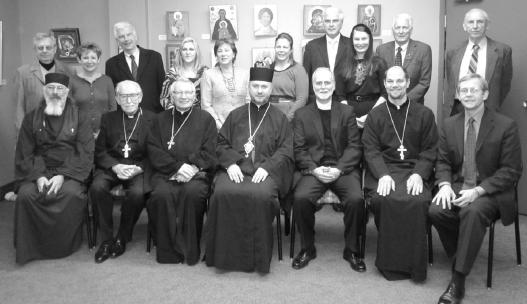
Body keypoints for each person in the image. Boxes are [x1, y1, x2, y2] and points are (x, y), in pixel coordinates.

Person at [429, 73, 522, 304]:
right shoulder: (449, 124)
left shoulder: (505, 125)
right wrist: (444, 185)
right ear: (458, 96)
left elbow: (511, 170)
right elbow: (442, 161)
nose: (468, 94)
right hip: (459, 185)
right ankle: (462, 254)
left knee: (472, 212)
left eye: (474, 90)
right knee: (435, 210)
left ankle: (458, 280)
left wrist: (478, 191)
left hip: (490, 190)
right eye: (464, 91)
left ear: (485, 94)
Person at [205, 66, 294, 273]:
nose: (260, 90)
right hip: (236, 168)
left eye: (264, 86)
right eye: (256, 86)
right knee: (222, 192)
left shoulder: (280, 118)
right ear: (249, 87)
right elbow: (220, 144)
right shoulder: (235, 115)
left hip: (265, 172)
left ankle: (257, 259)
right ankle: (224, 256)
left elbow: (287, 149)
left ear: (271, 88)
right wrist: (230, 164)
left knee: (261, 196)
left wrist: (269, 167)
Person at [362, 66, 438, 282]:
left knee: (419, 200)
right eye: (390, 82)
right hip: (384, 170)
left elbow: (430, 149)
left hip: (414, 170)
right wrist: (383, 175)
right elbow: (371, 150)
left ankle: (415, 266)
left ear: (407, 82)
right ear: (385, 85)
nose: (395, 85)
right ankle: (390, 265)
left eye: (399, 81)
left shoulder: (424, 114)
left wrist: (420, 174)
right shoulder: (375, 115)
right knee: (383, 199)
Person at [14, 73, 94, 264]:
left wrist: (62, 176)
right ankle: (32, 247)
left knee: (71, 194)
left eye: (60, 88)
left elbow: (85, 151)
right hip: (38, 170)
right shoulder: (31, 117)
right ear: (45, 91)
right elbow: (25, 152)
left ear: (67, 92)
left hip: (71, 171)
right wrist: (39, 176)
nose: (55, 92)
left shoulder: (79, 116)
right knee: (26, 195)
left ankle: (63, 246)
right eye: (51, 88)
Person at [291, 67, 365, 272]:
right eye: (318, 83)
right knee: (301, 198)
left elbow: (354, 146)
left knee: (356, 199)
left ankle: (351, 249)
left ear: (333, 86)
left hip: (342, 169)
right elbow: (299, 149)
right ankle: (307, 247)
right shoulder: (301, 114)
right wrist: (314, 170)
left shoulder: (347, 112)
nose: (323, 87)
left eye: (327, 83)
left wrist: (339, 169)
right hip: (313, 170)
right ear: (313, 87)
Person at [147, 78, 217, 265]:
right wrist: (176, 167)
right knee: (161, 195)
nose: (183, 96)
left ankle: (190, 251)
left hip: (196, 174)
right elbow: (153, 149)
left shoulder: (206, 119)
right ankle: (168, 252)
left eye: (188, 93)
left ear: (195, 96)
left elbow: (210, 151)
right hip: (166, 172)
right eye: (178, 93)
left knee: (193, 194)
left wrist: (192, 167)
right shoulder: (159, 119)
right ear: (171, 96)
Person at [89, 80, 155, 264]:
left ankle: (122, 237)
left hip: (139, 166)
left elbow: (156, 151)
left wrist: (139, 168)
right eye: (123, 96)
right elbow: (100, 149)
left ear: (140, 97)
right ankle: (107, 238)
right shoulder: (108, 119)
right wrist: (115, 166)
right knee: (97, 187)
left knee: (137, 194)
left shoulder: (153, 119)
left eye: (133, 95)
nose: (129, 100)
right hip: (114, 164)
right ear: (117, 98)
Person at [444, 8, 512, 118]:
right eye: (471, 22)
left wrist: (492, 104)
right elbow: (451, 81)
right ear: (464, 26)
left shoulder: (502, 51)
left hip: (487, 108)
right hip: (456, 108)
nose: (475, 26)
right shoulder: (453, 52)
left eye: (480, 22)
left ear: (487, 25)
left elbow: (505, 85)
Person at [15, 32, 72, 131]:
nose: (44, 51)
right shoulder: (23, 73)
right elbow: (19, 107)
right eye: (40, 48)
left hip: (61, 129)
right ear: (35, 50)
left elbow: (72, 102)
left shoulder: (68, 71)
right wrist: (21, 132)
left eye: (48, 47)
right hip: (33, 128)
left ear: (54, 49)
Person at [106, 21, 165, 113]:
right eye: (121, 37)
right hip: (125, 116)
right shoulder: (111, 64)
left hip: (153, 114)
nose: (126, 39)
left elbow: (162, 87)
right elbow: (113, 95)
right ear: (117, 42)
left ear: (135, 36)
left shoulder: (154, 57)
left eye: (129, 34)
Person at [336, 24, 387, 128]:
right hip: (348, 114)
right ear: (352, 41)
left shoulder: (379, 63)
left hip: (375, 113)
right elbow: (340, 95)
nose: (360, 43)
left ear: (370, 40)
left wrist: (370, 115)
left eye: (364, 39)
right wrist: (350, 116)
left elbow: (385, 93)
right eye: (357, 39)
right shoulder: (342, 64)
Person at [376, 13, 432, 105]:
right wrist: (390, 100)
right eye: (397, 28)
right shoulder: (381, 50)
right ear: (393, 30)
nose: (401, 31)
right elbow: (379, 80)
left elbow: (424, 82)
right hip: (387, 105)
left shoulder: (423, 49)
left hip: (413, 105)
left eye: (405, 28)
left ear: (411, 30)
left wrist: (403, 101)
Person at [303, 6, 350, 104]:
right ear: (323, 23)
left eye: (335, 21)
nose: (331, 25)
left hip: (345, 100)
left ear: (341, 23)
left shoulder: (351, 45)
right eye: (328, 21)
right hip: (317, 100)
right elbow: (306, 78)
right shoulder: (311, 46)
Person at [69, 42, 116, 137]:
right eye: (85, 58)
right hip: (79, 133)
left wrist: (102, 131)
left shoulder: (107, 80)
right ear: (79, 60)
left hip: (105, 133)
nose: (89, 61)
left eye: (93, 58)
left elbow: (113, 108)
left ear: (98, 60)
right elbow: (69, 110)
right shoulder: (71, 81)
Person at [201, 39, 249, 130]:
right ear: (216, 55)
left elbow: (249, 100)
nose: (223, 54)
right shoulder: (208, 74)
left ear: (234, 54)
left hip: (243, 126)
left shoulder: (245, 74)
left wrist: (245, 122)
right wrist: (220, 125)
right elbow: (206, 105)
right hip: (218, 127)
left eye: (227, 50)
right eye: (219, 51)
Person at [160, 37, 208, 110]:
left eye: (191, 49)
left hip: (200, 115)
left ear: (196, 52)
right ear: (180, 53)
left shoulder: (205, 72)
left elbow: (210, 98)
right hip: (177, 116)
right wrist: (174, 111)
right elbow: (164, 98)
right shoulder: (172, 73)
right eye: (184, 49)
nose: (187, 52)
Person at [270, 33, 309, 121]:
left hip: (289, 117)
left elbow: (302, 99)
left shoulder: (298, 70)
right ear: (275, 48)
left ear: (291, 50)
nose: (281, 50)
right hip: (269, 116)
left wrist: (288, 117)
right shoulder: (268, 69)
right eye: (278, 47)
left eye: (285, 47)